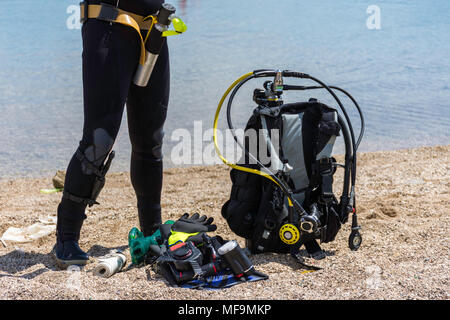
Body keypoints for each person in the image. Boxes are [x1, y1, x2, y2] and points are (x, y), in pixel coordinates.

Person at [53, 0, 170, 268]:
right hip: (107, 27)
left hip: (154, 30)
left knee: (151, 138)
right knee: (99, 140)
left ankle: (152, 231)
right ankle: (66, 237)